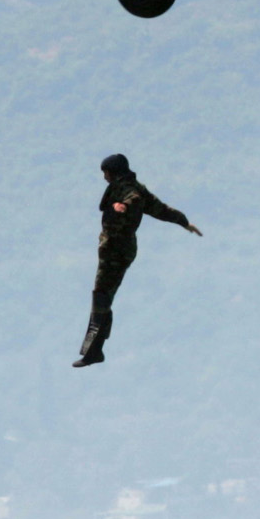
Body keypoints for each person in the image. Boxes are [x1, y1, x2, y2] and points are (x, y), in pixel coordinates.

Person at [74, 153, 201, 368]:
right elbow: (162, 210)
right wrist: (183, 221)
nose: (104, 177)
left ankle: (93, 351)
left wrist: (121, 206)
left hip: (117, 251)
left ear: (113, 172)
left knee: (102, 298)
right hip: (115, 250)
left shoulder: (130, 190)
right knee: (103, 297)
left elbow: (133, 200)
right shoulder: (132, 187)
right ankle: (94, 350)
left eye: (105, 172)